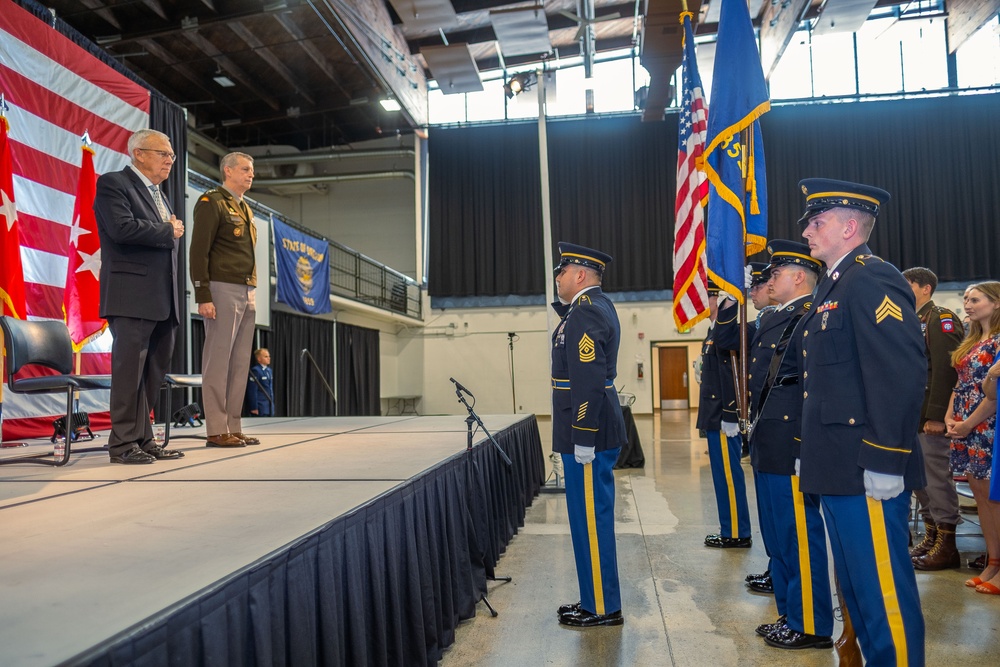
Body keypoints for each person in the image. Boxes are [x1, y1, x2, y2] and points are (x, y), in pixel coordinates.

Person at [797, 178, 926, 664]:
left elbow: (899, 372)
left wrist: (888, 459)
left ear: (850, 226)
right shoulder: (834, 282)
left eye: (818, 221)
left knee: (883, 597)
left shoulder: (872, 278)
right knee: (858, 593)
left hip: (866, 471)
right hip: (837, 469)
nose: (808, 231)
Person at [747, 241, 833, 650]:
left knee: (800, 535)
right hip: (769, 438)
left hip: (791, 440)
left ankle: (812, 624)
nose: (768, 280)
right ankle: (789, 613)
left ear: (799, 277)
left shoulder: (809, 316)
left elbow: (812, 387)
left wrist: (804, 445)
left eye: (776, 273)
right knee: (779, 536)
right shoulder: (778, 316)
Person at [93, 129, 185, 464]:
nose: (170, 160)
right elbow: (121, 228)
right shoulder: (114, 183)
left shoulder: (159, 193)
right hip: (131, 295)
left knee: (152, 373)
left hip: (162, 297)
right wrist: (168, 230)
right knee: (129, 371)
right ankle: (120, 445)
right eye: (164, 154)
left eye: (171, 155)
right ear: (139, 153)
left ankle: (143, 440)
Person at [550, 242, 627, 628]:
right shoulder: (592, 307)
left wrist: (582, 434)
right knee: (586, 520)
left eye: (561, 272)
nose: (557, 277)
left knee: (591, 521)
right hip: (589, 428)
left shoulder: (585, 313)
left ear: (579, 275)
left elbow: (588, 378)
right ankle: (594, 597)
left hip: (588, 432)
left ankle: (601, 606)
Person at [190, 152, 260, 448]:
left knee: (240, 363)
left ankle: (233, 425)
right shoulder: (212, 202)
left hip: (246, 290)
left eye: (252, 170)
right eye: (245, 169)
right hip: (221, 288)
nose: (251, 174)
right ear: (228, 171)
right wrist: (203, 294)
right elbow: (198, 251)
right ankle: (216, 429)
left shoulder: (245, 208)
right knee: (218, 362)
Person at [902, 267, 965, 570]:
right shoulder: (914, 319)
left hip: (930, 414)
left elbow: (945, 368)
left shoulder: (940, 318)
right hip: (914, 413)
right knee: (920, 481)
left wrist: (937, 415)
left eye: (907, 284)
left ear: (924, 288)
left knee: (935, 478)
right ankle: (932, 535)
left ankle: (948, 545)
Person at [945, 281, 1000, 594]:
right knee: (980, 496)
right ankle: (992, 562)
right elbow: (960, 382)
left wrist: (968, 423)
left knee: (995, 498)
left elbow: (994, 395)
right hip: (965, 423)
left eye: (975, 299)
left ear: (995, 303)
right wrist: (950, 416)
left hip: (987, 422)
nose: (967, 304)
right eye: (965, 298)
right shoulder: (973, 339)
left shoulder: (998, 341)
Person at [697, 280, 752, 548]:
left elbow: (732, 374)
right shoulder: (712, 332)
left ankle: (737, 532)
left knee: (729, 475)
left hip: (722, 416)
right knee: (721, 475)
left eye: (707, 297)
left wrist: (731, 414)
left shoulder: (724, 332)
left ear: (718, 300)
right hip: (713, 415)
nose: (702, 303)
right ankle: (729, 527)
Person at [246, 348, 274, 417]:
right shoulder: (256, 371)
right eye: (266, 356)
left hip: (269, 406)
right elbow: (252, 390)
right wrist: (254, 407)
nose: (269, 358)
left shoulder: (269, 370)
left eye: (269, 356)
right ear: (259, 359)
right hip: (260, 406)